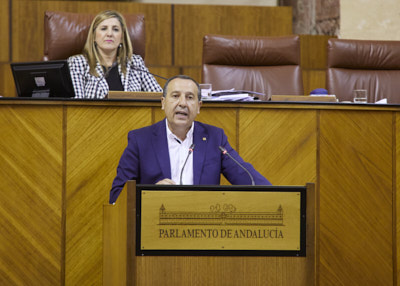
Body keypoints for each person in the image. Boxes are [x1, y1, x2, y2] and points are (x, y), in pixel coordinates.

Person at [109, 75, 271, 203]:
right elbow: (118, 195)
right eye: (175, 96)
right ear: (163, 103)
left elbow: (247, 178)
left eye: (189, 97)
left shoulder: (215, 138)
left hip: (202, 230)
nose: (182, 103)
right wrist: (149, 193)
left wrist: (278, 196)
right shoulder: (141, 140)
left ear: (199, 106)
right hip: (155, 228)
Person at [68, 10, 162, 99]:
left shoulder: (135, 63)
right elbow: (75, 105)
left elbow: (161, 99)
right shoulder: (78, 63)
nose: (109, 34)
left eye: (115, 29)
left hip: (131, 115)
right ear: (93, 37)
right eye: (104, 29)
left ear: (121, 37)